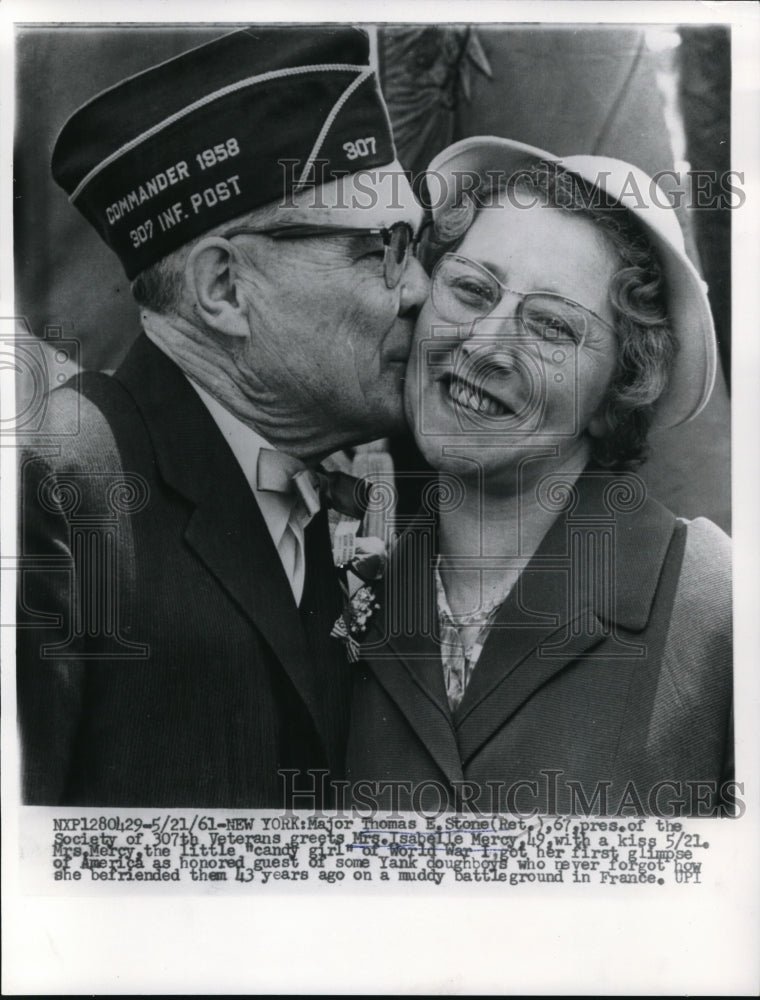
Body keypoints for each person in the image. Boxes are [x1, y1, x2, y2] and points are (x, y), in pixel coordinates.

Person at [17, 27, 428, 807]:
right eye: (384, 248)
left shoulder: (331, 493)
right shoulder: (60, 487)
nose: (418, 289)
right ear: (225, 290)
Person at [345, 137, 733, 817]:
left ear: (624, 380)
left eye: (552, 326)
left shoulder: (715, 607)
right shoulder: (346, 590)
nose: (485, 345)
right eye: (470, 289)